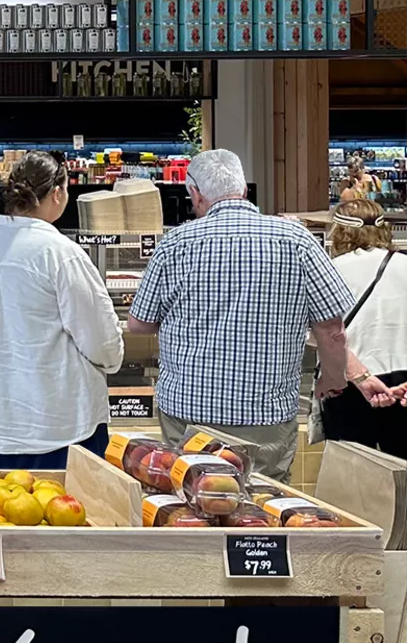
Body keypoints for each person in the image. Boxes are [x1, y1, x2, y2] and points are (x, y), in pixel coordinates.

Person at [128, 149, 352, 481]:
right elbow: (332, 330)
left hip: (188, 414)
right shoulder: (296, 241)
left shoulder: (174, 244)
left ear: (196, 193)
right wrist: (333, 379)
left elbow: (138, 325)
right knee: (264, 506)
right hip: (265, 415)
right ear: (244, 190)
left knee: (193, 503)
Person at [0, 152, 124, 469]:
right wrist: (113, 359)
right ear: (58, 193)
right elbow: (102, 342)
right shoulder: (59, 252)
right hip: (59, 427)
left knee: (6, 514)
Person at [318, 198, 407, 455]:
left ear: (340, 231)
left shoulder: (330, 271)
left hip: (348, 380)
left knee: (351, 475)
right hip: (402, 384)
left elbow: (319, 333)